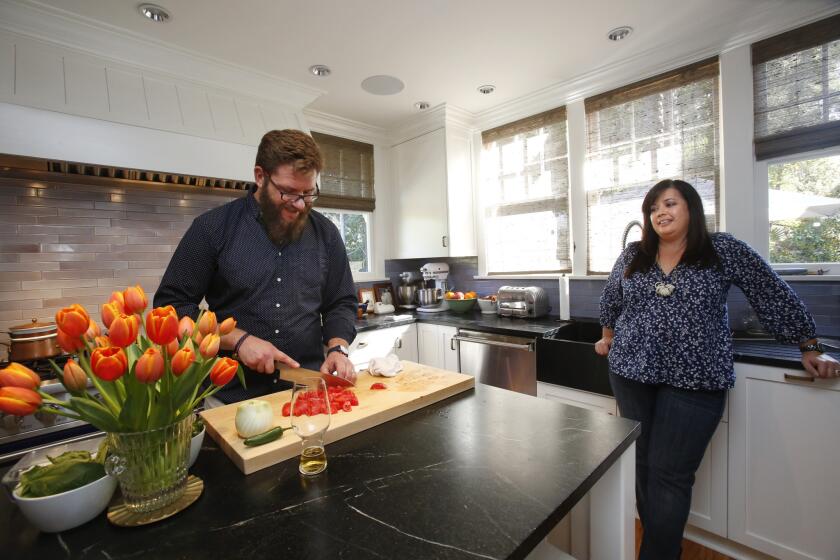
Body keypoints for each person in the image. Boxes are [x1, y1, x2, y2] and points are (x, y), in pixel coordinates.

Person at [595, 179, 839, 559]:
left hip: (696, 379)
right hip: (631, 372)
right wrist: (607, 336)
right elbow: (611, 298)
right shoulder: (633, 255)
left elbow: (769, 290)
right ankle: (662, 548)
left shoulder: (721, 249)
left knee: (669, 474)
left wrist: (808, 345)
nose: (661, 212)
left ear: (691, 208)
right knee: (643, 464)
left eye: (670, 203)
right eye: (654, 207)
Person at [155, 129, 358, 403]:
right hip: (231, 396)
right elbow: (171, 309)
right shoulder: (212, 228)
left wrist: (338, 349)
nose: (299, 205)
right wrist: (238, 340)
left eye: (308, 193)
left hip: (307, 393)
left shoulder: (326, 233)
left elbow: (341, 302)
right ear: (260, 176)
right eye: (288, 193)